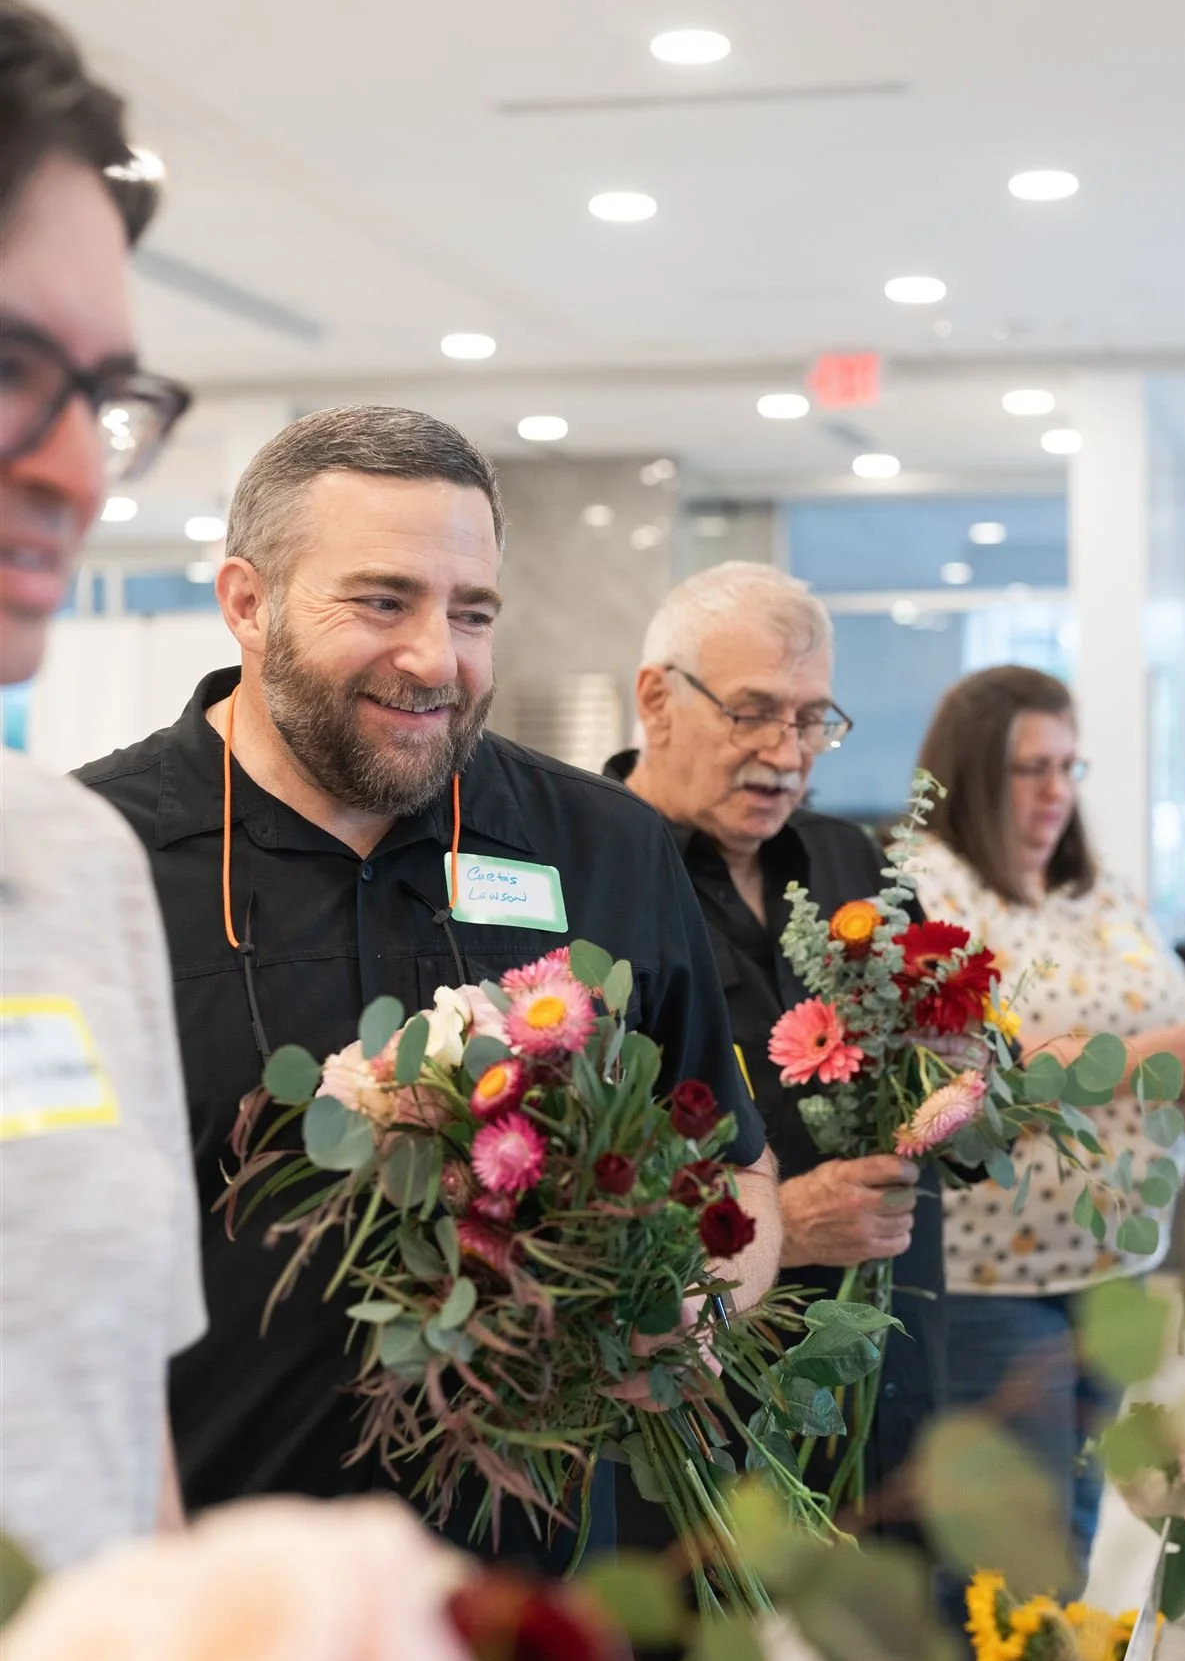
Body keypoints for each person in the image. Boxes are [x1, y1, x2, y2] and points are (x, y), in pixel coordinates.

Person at [75, 407, 780, 1558]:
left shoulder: (604, 846)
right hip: (203, 1595)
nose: (435, 658)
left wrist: (683, 1318)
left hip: (530, 1600)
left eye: (472, 612)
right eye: (382, 600)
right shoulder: (82, 860)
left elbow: (735, 1168)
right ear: (247, 601)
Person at [607, 562, 943, 1528]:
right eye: (752, 713)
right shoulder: (581, 874)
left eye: (810, 719)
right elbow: (561, 1185)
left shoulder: (848, 860)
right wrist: (776, 1227)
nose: (786, 753)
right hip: (694, 1412)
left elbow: (939, 1058)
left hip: (882, 1377)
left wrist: (963, 1082)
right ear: (656, 700)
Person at [0, 0, 199, 1569]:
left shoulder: (73, 861)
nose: (75, 469)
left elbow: (125, 1432)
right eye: (11, 366)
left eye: (104, 398)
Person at [911, 665, 1185, 1583]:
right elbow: (986, 1073)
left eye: (1068, 766)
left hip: (1113, 1269)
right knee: (1009, 1557)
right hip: (993, 1280)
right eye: (1031, 768)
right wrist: (1157, 1059)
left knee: (1077, 1528)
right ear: (973, 771)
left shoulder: (1098, 893)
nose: (1056, 790)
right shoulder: (931, 891)